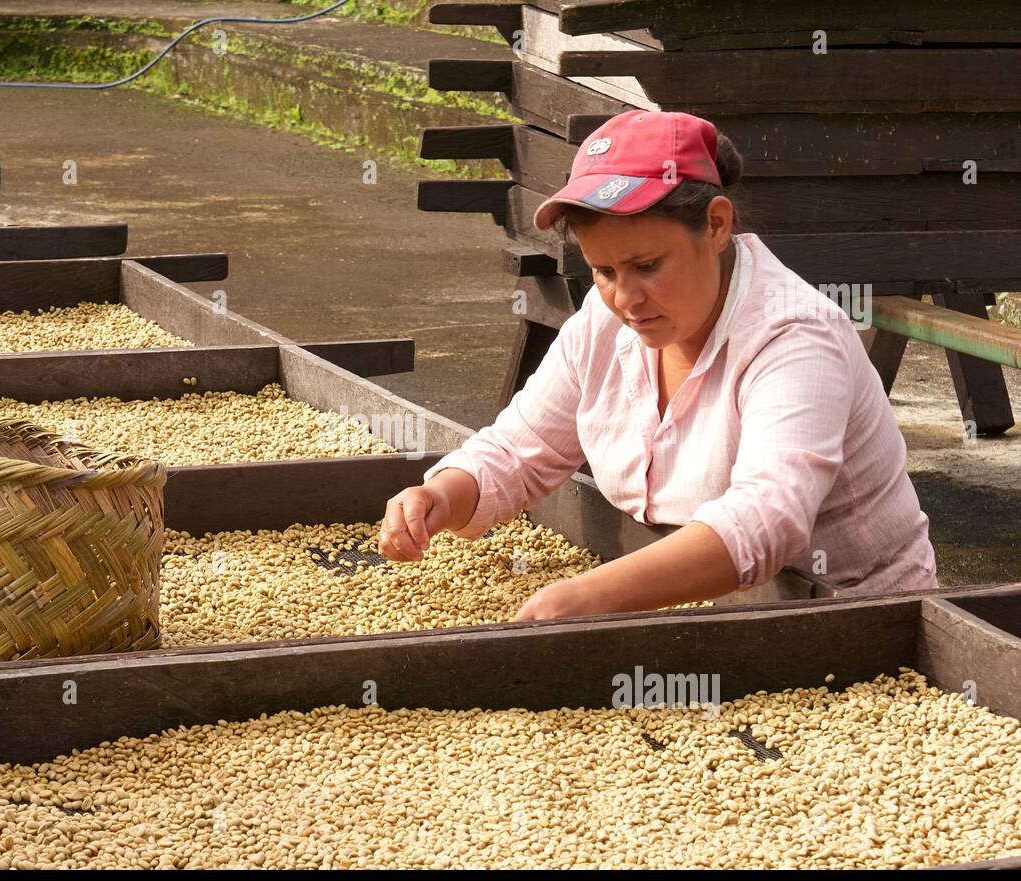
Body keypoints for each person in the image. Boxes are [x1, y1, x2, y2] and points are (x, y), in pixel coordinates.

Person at [377, 109, 937, 620]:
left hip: (856, 621)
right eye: (604, 271)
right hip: (691, 604)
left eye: (647, 265)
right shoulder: (606, 318)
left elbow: (766, 519)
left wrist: (586, 595)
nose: (626, 298)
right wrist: (440, 496)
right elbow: (519, 450)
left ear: (716, 225)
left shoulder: (794, 337)